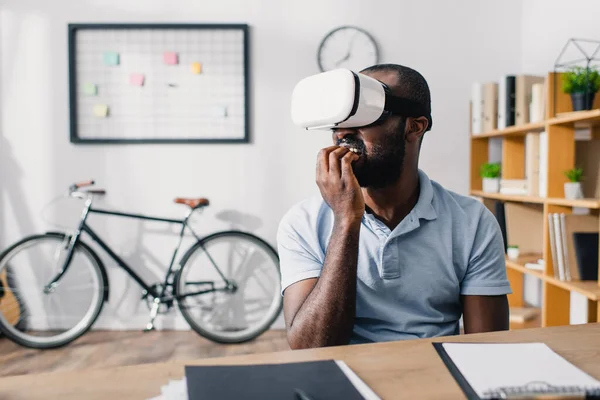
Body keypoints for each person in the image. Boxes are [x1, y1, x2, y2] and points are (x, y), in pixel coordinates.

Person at [277, 63, 511, 349]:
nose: (343, 132)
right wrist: (345, 220)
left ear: (414, 126)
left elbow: (488, 349)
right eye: (339, 118)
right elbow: (311, 349)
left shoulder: (473, 222)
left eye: (365, 114)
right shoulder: (302, 223)